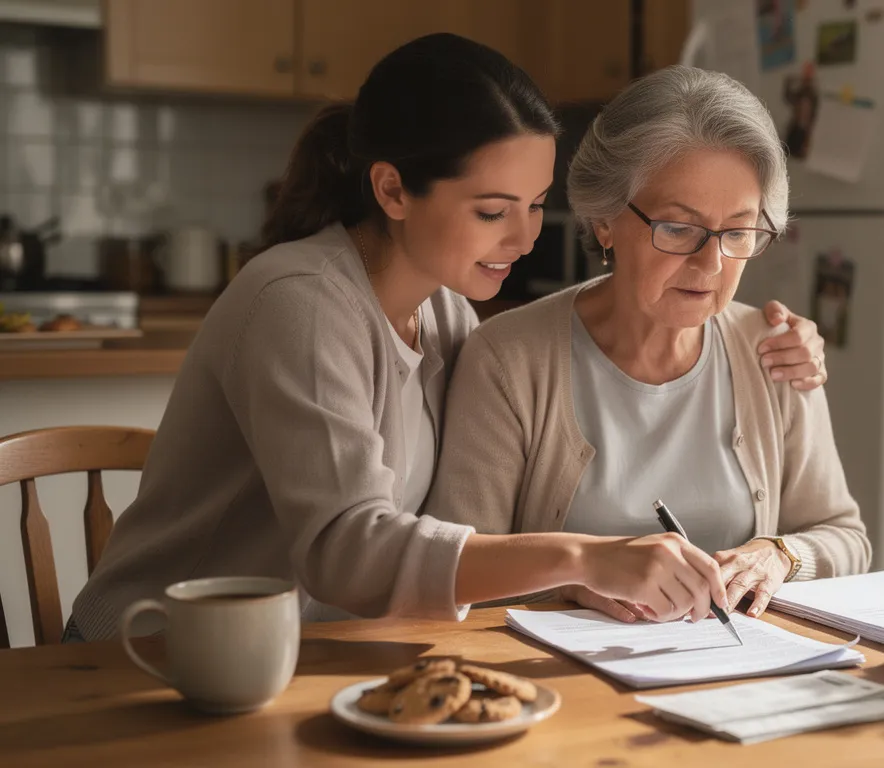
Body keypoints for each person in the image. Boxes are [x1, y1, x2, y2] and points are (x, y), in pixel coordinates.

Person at [66, 35, 828, 642]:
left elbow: (447, 536)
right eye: (493, 211)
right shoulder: (297, 303)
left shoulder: (446, 316)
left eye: (533, 205)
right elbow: (348, 548)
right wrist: (584, 555)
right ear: (392, 189)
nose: (525, 237)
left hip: (316, 656)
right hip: (155, 657)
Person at [437, 66, 870, 625]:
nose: (711, 264)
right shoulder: (508, 359)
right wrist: (571, 583)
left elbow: (846, 538)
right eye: (678, 227)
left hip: (736, 678)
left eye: (738, 232)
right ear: (603, 222)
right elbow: (454, 574)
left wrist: (779, 556)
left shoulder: (775, 350)